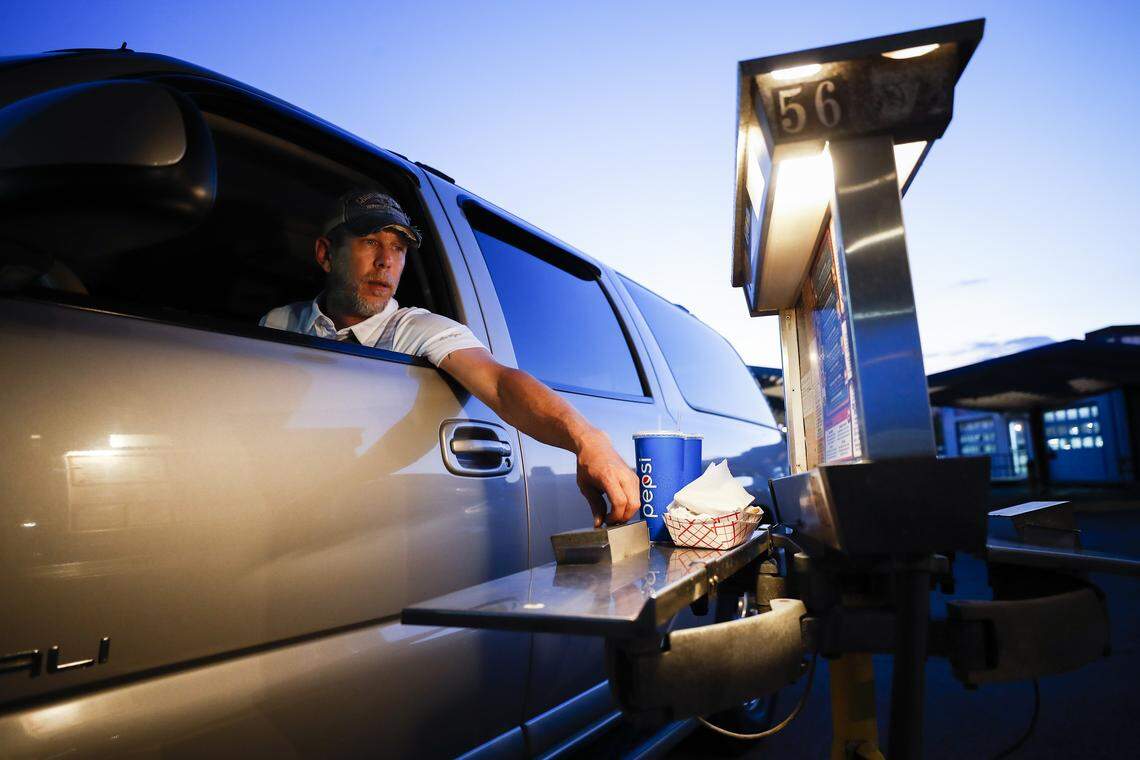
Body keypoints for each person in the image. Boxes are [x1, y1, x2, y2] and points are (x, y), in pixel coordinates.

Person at [261, 189, 639, 527]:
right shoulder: (277, 324)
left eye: (398, 248)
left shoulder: (416, 328)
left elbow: (500, 383)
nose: (386, 262)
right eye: (369, 242)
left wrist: (588, 439)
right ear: (326, 254)